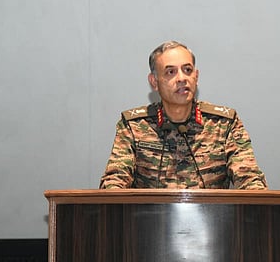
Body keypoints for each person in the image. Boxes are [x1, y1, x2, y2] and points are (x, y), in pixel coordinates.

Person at [99, 40, 267, 189]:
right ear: (154, 82)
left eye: (187, 70)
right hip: (149, 215)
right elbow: (114, 181)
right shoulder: (134, 126)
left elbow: (249, 178)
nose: (181, 78)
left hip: (212, 215)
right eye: (170, 72)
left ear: (196, 77)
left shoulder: (224, 124)